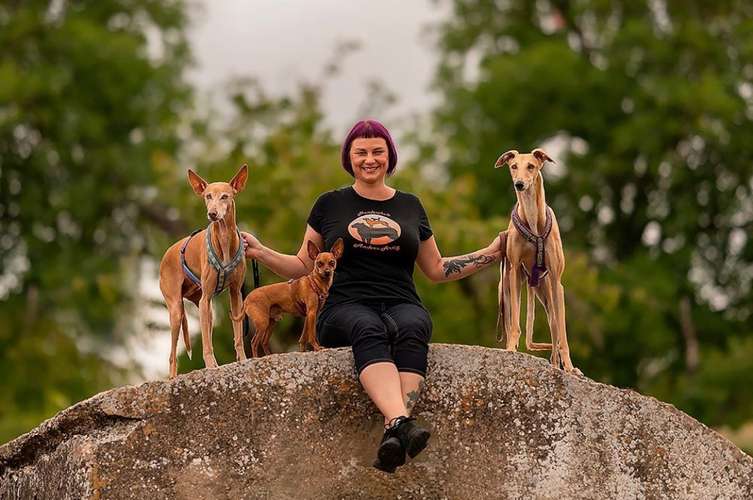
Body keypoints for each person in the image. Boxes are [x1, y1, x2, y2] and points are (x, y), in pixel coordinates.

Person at [241, 119, 503, 473]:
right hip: (343, 306)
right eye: (360, 152)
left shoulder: (411, 205)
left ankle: (395, 434)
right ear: (349, 158)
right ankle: (400, 421)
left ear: (390, 157)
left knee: (414, 325)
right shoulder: (330, 204)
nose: (369, 159)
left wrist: (490, 252)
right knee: (368, 328)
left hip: (401, 301)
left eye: (378, 151)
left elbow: (437, 268)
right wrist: (260, 251)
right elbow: (303, 263)